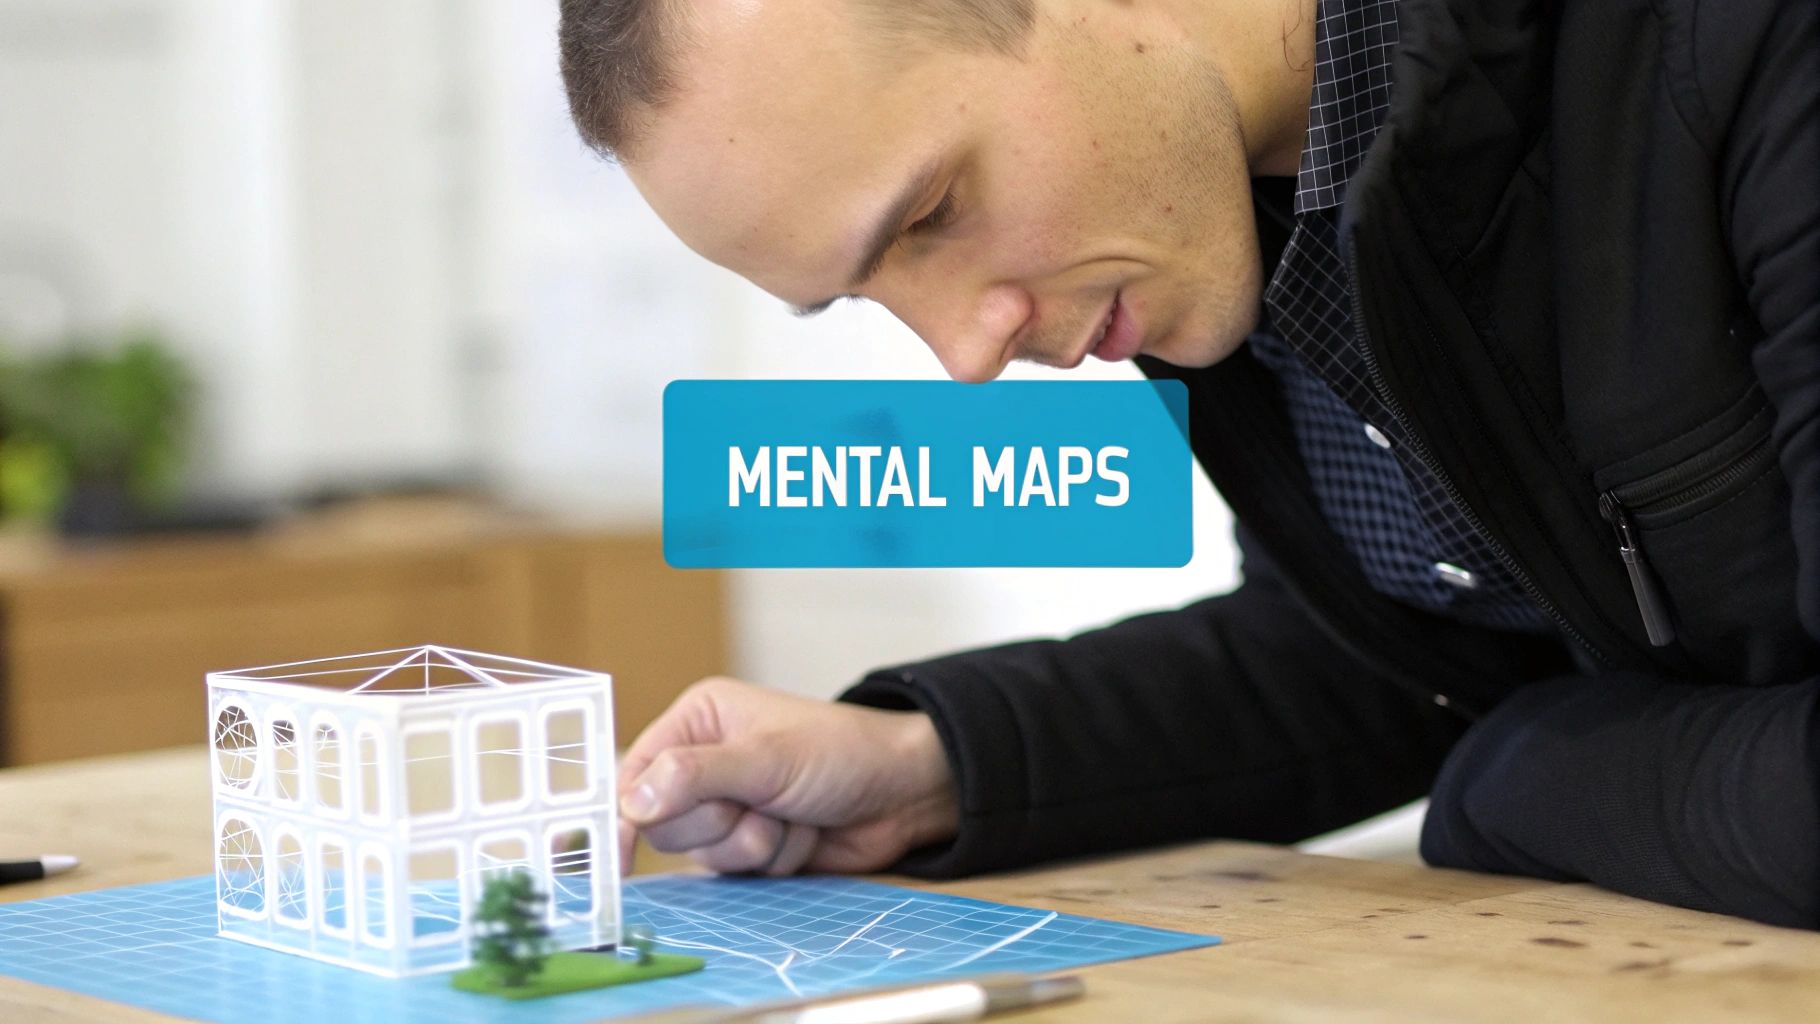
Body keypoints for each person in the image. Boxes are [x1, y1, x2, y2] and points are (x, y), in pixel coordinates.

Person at [557, 0, 1820, 927]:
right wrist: (923, 769)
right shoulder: (1228, 214)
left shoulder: (1750, 54)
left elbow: (1492, 715)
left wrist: (1520, 777)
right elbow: (1417, 645)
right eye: (856, 296)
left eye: (935, 212)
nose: (963, 354)